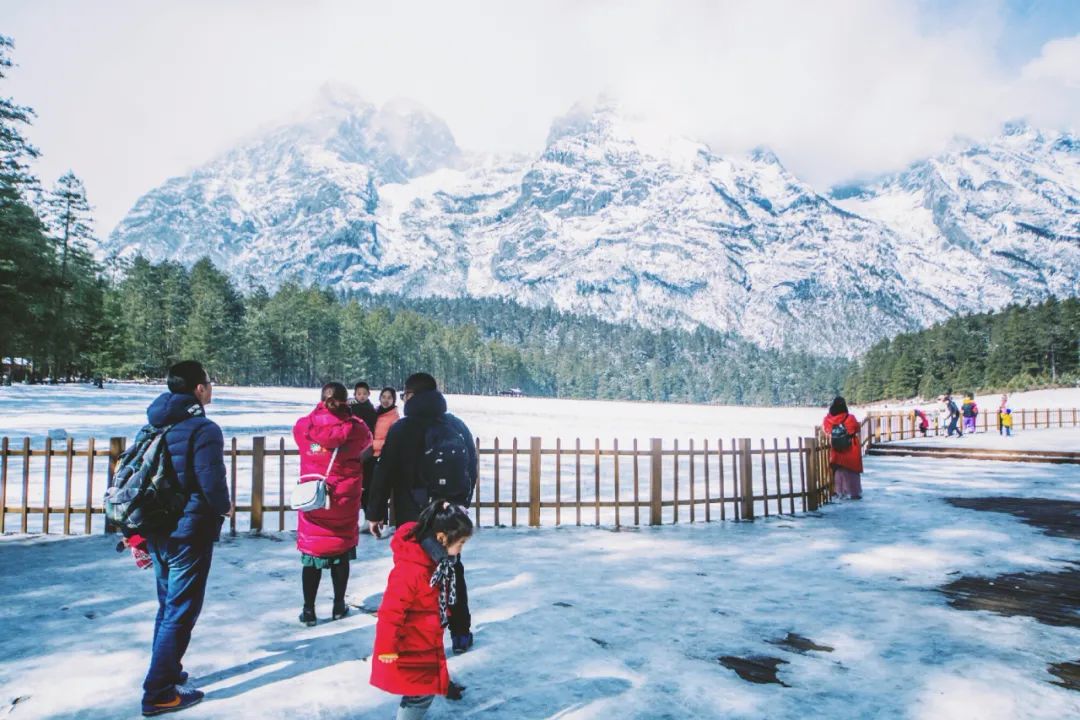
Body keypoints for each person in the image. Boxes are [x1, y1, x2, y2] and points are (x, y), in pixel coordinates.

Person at [141, 361, 232, 717]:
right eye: (208, 383)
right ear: (198, 389)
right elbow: (211, 481)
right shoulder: (203, 428)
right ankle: (159, 691)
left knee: (167, 606)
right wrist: (224, 508)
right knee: (180, 611)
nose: (211, 388)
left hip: (157, 529)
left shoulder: (154, 422)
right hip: (188, 532)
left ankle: (169, 671)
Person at [367, 372, 478, 654]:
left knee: (415, 574)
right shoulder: (457, 426)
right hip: (450, 515)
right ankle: (461, 633)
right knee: (452, 571)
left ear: (412, 396)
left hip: (412, 515)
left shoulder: (403, 429)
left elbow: (385, 471)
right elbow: (471, 469)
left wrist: (375, 512)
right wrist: (462, 505)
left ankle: (419, 636)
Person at [371, 501, 472, 719]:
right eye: (461, 543)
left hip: (425, 641)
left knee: (422, 689)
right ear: (442, 537)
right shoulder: (413, 569)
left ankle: (440, 684)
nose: (461, 548)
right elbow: (390, 612)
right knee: (419, 693)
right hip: (409, 645)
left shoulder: (437, 562)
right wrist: (387, 647)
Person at [292, 382, 372, 626]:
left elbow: (301, 439)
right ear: (346, 401)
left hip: (314, 498)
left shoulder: (305, 426)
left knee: (311, 555)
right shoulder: (357, 429)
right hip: (343, 500)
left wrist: (318, 450)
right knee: (341, 554)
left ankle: (308, 610)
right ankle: (338, 605)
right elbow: (367, 444)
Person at [822, 396, 863, 500]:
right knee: (851, 470)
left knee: (839, 469)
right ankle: (853, 492)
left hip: (837, 448)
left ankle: (839, 491)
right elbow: (857, 428)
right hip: (851, 447)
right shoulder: (850, 418)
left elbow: (826, 429)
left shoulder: (828, 419)